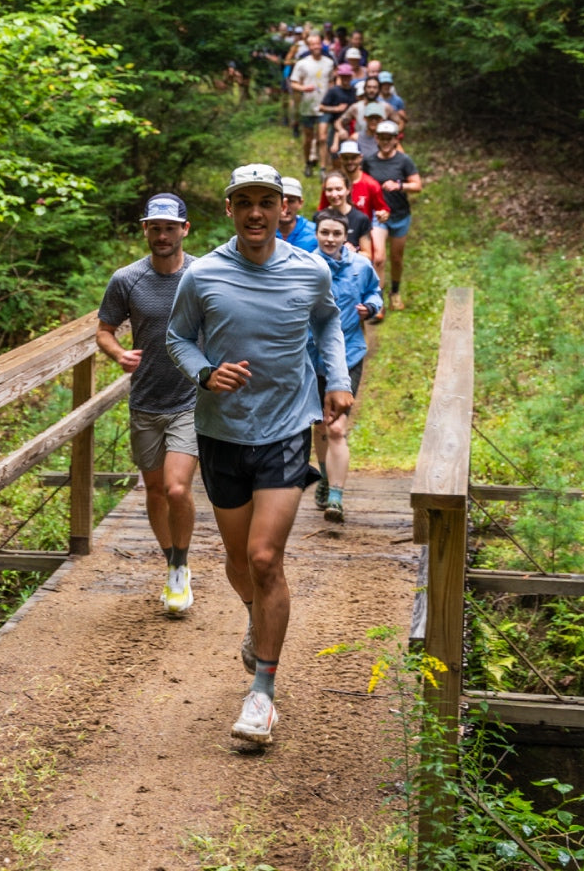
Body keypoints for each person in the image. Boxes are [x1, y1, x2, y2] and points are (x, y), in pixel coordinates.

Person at [167, 163, 353, 745]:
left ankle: (262, 695)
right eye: (243, 201)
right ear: (229, 209)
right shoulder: (203, 275)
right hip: (222, 431)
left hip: (287, 427)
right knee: (239, 563)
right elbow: (177, 337)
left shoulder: (309, 268)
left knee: (266, 558)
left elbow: (328, 325)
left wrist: (336, 378)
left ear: (283, 208)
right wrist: (204, 373)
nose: (255, 212)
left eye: (265, 201)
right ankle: (256, 618)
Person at [97, 193, 200, 615]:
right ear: (145, 230)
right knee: (155, 490)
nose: (162, 235)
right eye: (155, 228)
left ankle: (180, 566)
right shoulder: (127, 279)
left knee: (177, 488)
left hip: (191, 398)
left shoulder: (202, 273)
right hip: (145, 399)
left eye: (170, 228)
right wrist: (118, 353)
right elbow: (104, 330)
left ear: (184, 230)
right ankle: (172, 561)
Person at [308, 208, 383, 523]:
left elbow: (374, 293)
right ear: (317, 234)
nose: (330, 238)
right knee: (320, 424)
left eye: (336, 233)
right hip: (310, 355)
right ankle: (325, 477)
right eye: (325, 232)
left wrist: (372, 307)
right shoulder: (305, 265)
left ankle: (335, 497)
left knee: (336, 427)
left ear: (345, 236)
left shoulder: (361, 266)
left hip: (348, 354)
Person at [363, 121, 422, 311]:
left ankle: (395, 292)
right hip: (378, 216)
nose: (386, 142)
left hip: (400, 215)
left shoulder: (404, 161)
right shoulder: (369, 161)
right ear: (377, 139)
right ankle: (377, 299)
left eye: (390, 138)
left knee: (396, 258)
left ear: (396, 139)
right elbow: (362, 184)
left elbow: (417, 185)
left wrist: (400, 186)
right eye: (383, 138)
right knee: (378, 257)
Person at [288, 33, 334, 179]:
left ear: (322, 44)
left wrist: (333, 99)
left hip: (324, 106)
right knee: (308, 138)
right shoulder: (302, 63)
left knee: (322, 138)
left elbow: (332, 82)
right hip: (307, 105)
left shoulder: (329, 62)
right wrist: (303, 88)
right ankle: (308, 163)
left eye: (318, 44)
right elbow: (294, 82)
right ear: (308, 46)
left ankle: (322, 168)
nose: (316, 47)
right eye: (313, 44)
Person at [319, 171, 372, 258]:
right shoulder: (319, 217)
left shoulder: (360, 219)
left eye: (338, 189)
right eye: (329, 190)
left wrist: (353, 251)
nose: (334, 194)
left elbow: (368, 255)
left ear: (348, 190)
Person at [319, 63, 358, 167]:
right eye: (343, 76)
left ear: (351, 77)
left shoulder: (354, 91)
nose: (345, 79)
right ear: (339, 76)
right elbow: (321, 107)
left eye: (347, 76)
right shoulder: (333, 91)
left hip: (352, 127)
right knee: (335, 155)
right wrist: (336, 109)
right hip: (336, 127)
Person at [278, 176, 317, 252]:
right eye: (281, 201)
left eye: (291, 201)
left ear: (300, 203)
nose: (285, 206)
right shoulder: (263, 231)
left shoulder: (315, 232)